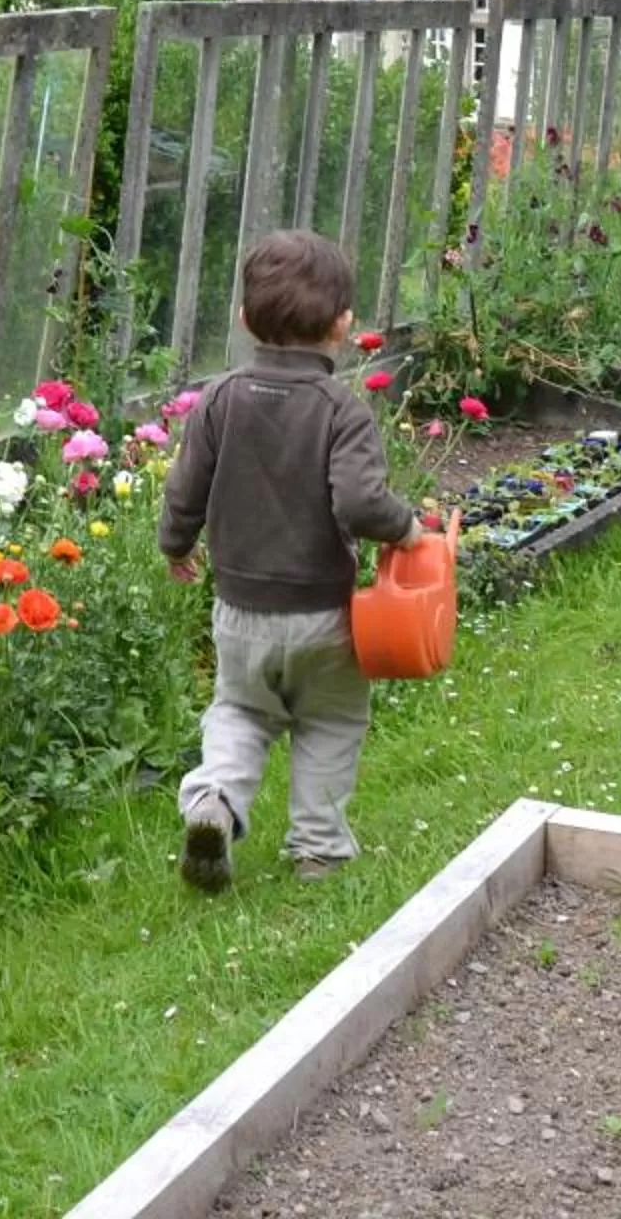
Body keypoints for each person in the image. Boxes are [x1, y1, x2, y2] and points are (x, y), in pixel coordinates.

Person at [159, 229, 425, 889]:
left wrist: (176, 544)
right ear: (343, 326)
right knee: (330, 722)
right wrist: (408, 530)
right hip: (324, 618)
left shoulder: (219, 400)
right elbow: (361, 503)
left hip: (240, 612)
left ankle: (215, 803)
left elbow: (184, 488)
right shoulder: (342, 408)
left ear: (244, 321)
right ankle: (318, 849)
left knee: (239, 713)